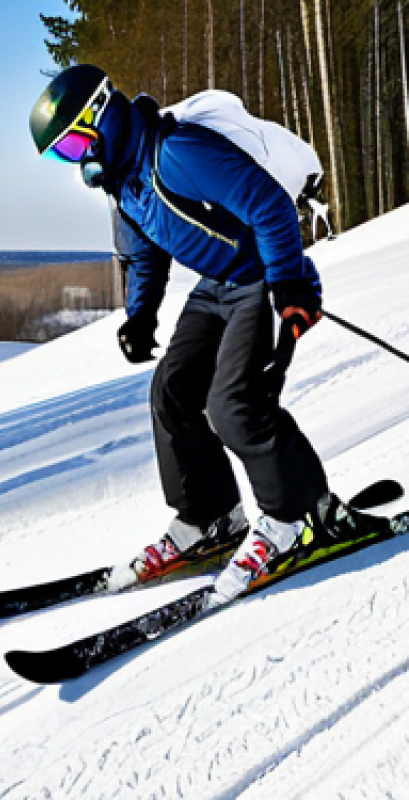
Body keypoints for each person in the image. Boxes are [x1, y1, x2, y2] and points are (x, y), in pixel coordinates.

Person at [29, 64, 368, 604]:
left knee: (234, 404)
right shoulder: (125, 182)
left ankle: (299, 517)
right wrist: (141, 316)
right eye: (60, 158)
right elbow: (144, 252)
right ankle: (211, 518)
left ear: (99, 117)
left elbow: (269, 205)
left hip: (260, 277)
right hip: (217, 285)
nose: (75, 165)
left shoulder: (177, 152)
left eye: (70, 148)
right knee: (171, 392)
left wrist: (289, 285)